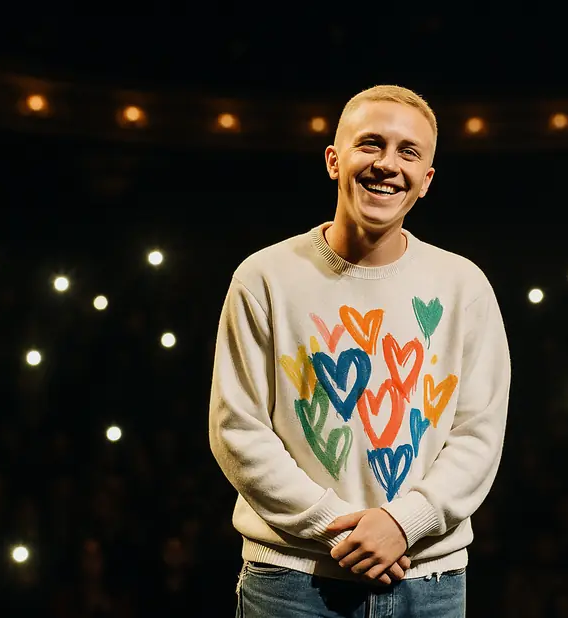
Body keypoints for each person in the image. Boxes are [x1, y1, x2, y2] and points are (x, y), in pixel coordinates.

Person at [209, 84, 511, 618]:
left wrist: (404, 523)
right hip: (292, 580)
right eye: (370, 144)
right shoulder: (264, 277)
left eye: (408, 151)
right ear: (334, 160)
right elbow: (238, 429)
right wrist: (337, 529)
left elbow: (478, 434)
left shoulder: (464, 285)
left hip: (430, 582)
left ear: (426, 181)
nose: (387, 164)